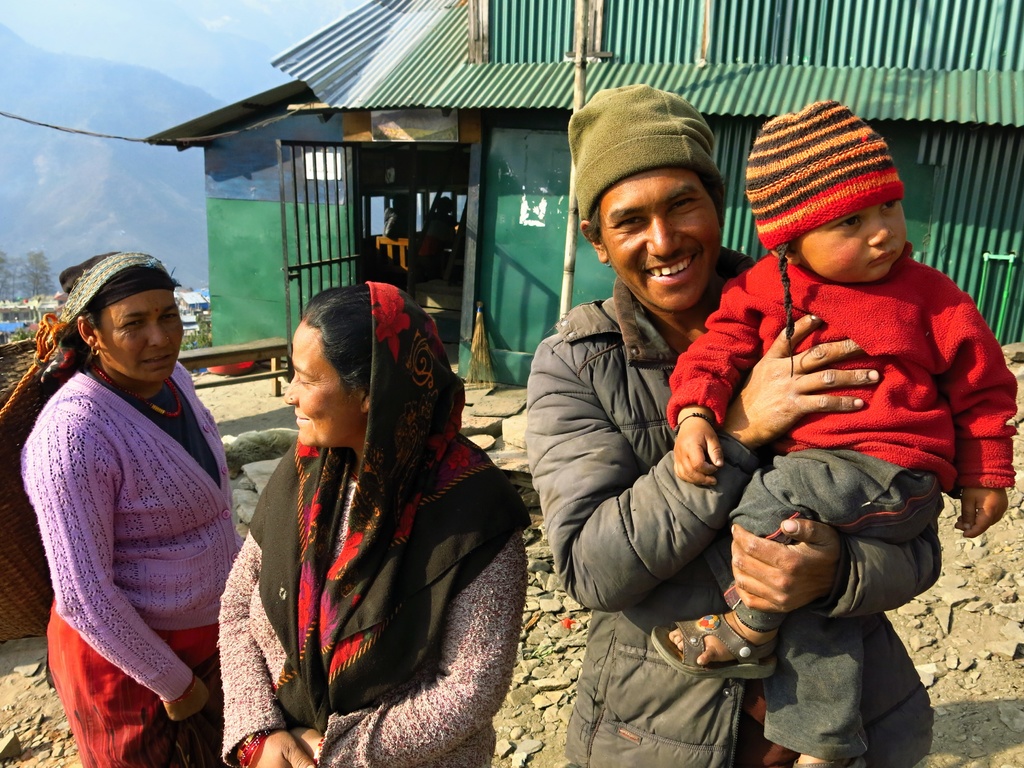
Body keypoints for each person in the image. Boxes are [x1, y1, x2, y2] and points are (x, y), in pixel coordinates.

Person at [526, 83, 940, 768]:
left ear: (718, 207)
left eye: (682, 203)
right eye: (629, 221)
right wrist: (741, 430)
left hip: (856, 718)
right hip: (660, 735)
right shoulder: (576, 365)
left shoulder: (827, 316)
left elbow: (919, 534)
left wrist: (837, 573)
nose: (663, 241)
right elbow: (591, 570)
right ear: (596, 242)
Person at [654, 101, 1018, 766]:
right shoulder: (765, 289)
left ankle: (744, 630)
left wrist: (986, 472)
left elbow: (983, 386)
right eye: (852, 220)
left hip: (893, 471)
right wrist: (697, 413)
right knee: (807, 594)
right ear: (789, 241)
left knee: (765, 509)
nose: (883, 232)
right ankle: (822, 744)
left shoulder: (933, 298)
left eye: (888, 208)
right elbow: (718, 352)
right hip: (826, 485)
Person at [219, 282, 530, 768]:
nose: (289, 395)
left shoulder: (473, 512)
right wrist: (257, 730)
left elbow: (470, 688)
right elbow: (238, 606)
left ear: (370, 394)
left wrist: (332, 756)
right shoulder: (302, 475)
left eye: (305, 379)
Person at [20, 251, 241, 767]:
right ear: (91, 333)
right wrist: (174, 685)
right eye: (133, 324)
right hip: (128, 665)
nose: (161, 338)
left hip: (205, 641)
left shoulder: (175, 382)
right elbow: (82, 594)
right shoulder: (74, 434)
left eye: (168, 315)